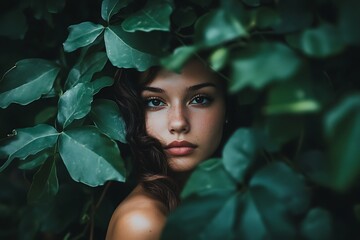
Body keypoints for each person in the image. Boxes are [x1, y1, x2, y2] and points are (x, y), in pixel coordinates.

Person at [105, 58, 228, 240]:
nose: (178, 123)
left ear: (227, 110)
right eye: (155, 102)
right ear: (135, 113)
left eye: (200, 99)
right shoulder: (142, 223)